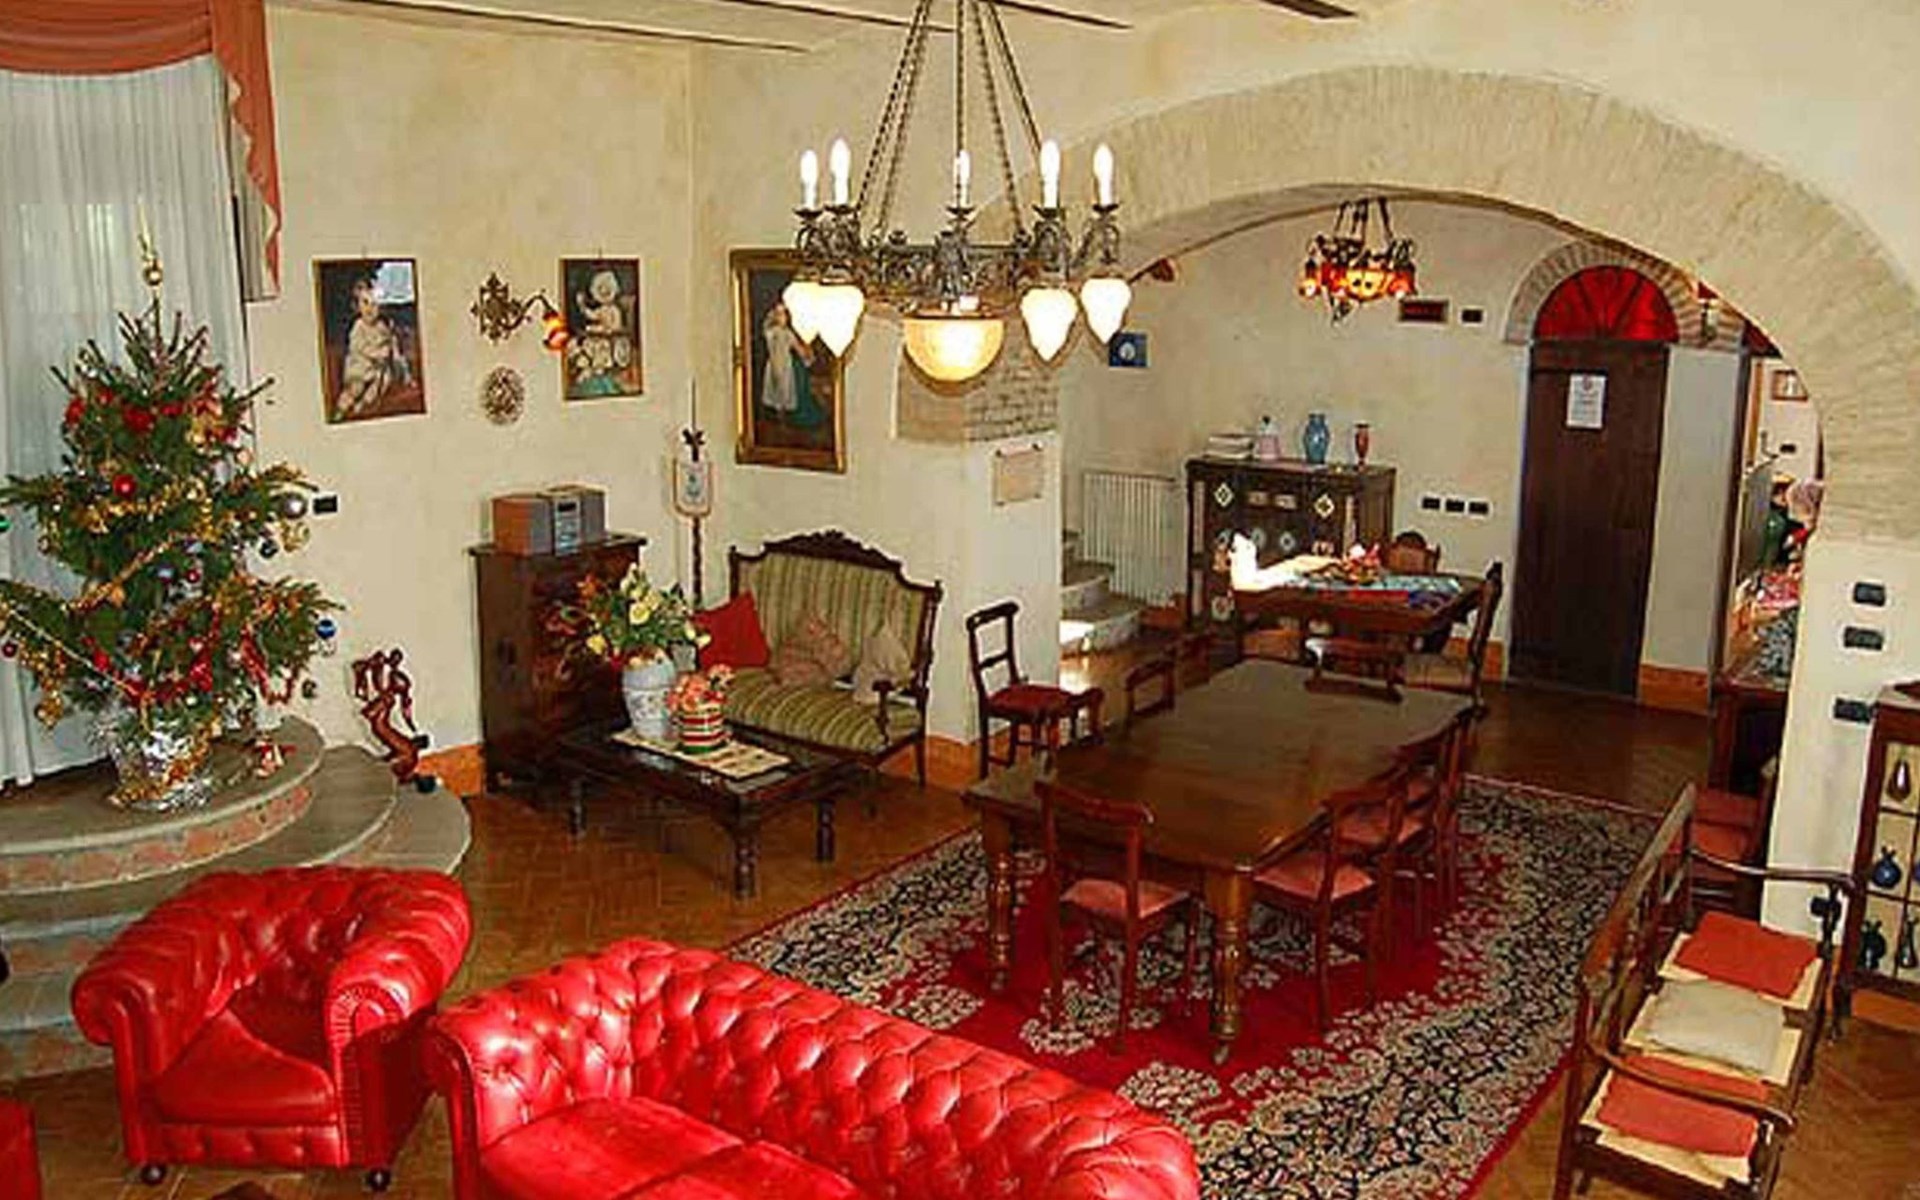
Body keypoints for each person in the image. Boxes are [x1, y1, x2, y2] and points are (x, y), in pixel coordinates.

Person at [336, 277, 409, 418]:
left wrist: (391, 345)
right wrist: (379, 353)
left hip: (377, 368)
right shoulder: (358, 327)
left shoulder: (381, 326)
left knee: (383, 381)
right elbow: (361, 348)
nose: (370, 308)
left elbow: (390, 342)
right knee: (356, 388)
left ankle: (364, 402)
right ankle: (341, 408)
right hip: (360, 366)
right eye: (365, 302)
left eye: (375, 304)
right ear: (357, 306)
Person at [760, 301, 820, 427]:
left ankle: (784, 420)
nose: (782, 318)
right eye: (779, 314)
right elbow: (767, 334)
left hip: (786, 365)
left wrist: (807, 354)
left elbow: (798, 348)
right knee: (776, 392)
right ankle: (777, 419)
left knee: (785, 391)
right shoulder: (772, 332)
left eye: (784, 315)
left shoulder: (788, 333)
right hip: (775, 364)